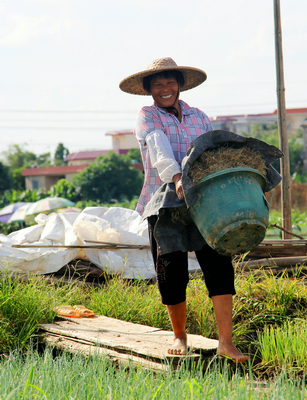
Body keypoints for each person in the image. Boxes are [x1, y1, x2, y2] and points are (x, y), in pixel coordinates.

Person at [119, 57, 247, 363]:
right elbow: (159, 148)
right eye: (158, 84)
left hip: (203, 200)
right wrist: (178, 178)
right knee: (170, 269)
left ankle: (226, 342)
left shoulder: (198, 116)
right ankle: (179, 335)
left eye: (170, 82)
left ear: (179, 85)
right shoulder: (148, 115)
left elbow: (210, 151)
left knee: (218, 264)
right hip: (164, 199)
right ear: (149, 89)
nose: (165, 89)